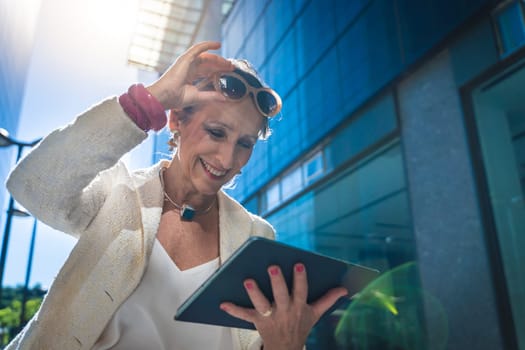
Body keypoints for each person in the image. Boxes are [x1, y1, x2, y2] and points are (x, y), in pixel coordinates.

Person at [5, 41, 348, 350]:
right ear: (176, 120)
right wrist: (148, 102)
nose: (228, 159)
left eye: (244, 144)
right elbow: (34, 185)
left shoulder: (256, 236)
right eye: (216, 132)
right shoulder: (118, 192)